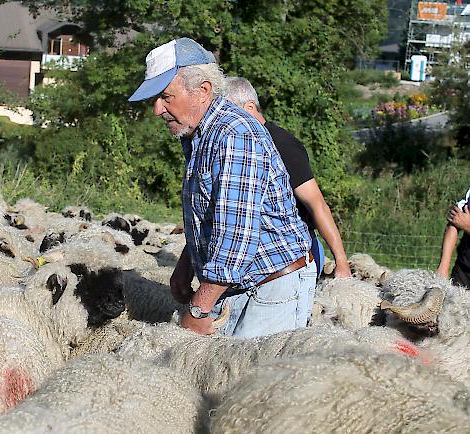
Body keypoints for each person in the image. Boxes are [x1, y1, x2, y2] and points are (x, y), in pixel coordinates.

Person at [128, 38, 316, 338]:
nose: (157, 109)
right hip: (240, 283)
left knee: (247, 382)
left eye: (165, 96)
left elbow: (236, 233)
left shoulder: (234, 135)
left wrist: (199, 308)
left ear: (202, 90)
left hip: (269, 288)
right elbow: (213, 215)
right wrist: (187, 265)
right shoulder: (199, 135)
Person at [224, 77, 352, 279]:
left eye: (229, 112)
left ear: (249, 106)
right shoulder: (238, 145)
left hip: (295, 257)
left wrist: (341, 262)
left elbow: (317, 204)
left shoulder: (283, 145)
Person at [436, 188, 470, 288]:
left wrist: (468, 226)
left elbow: (464, 222)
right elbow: (455, 220)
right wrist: (443, 267)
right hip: (464, 271)